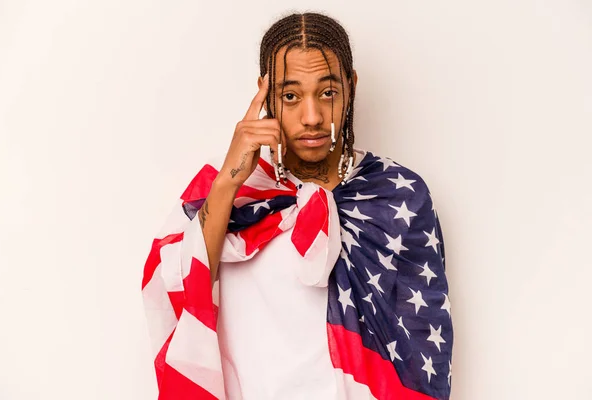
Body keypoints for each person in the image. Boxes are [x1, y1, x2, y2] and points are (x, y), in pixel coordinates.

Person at [141, 11, 453, 400]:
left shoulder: (396, 195)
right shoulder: (237, 193)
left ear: (350, 87)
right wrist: (227, 181)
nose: (312, 117)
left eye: (327, 92)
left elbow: (421, 346)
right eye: (290, 96)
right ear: (265, 93)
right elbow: (178, 286)